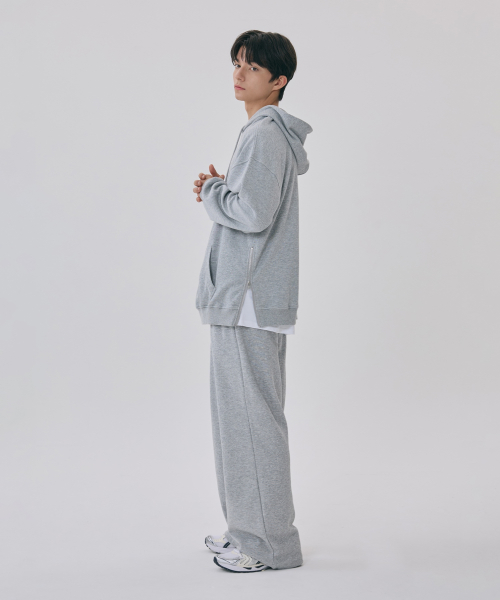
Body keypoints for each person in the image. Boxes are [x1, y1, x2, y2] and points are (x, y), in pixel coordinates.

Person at [193, 30, 312, 573]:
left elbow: (253, 213)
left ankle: (267, 545)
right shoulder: (263, 134)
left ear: (279, 80)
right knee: (241, 420)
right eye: (237, 63)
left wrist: (213, 192)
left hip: (247, 302)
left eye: (253, 67)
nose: (240, 74)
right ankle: (249, 530)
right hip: (249, 300)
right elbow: (253, 204)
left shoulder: (264, 134)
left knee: (251, 421)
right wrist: (226, 190)